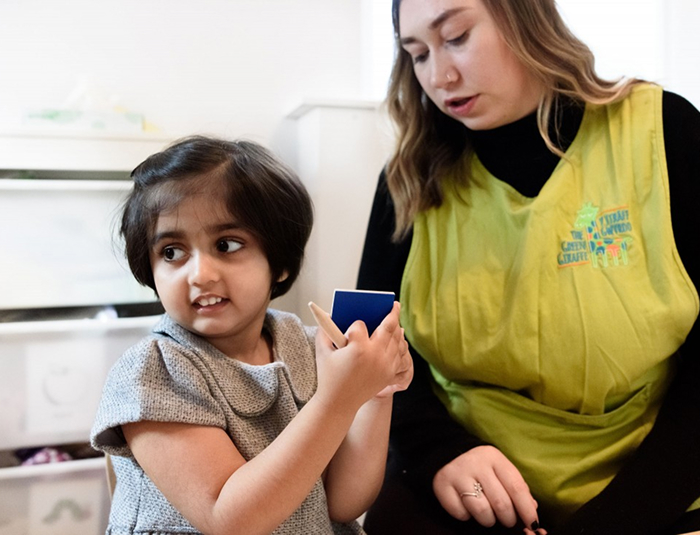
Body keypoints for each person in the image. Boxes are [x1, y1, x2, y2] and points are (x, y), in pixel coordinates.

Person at [356, 0, 700, 534]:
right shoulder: (406, 178)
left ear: (525, 17)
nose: (439, 76)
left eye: (457, 37)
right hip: (473, 490)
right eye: (418, 54)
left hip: (652, 484)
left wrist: (613, 522)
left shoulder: (665, 129)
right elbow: (363, 344)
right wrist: (440, 451)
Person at [90, 135, 413, 535]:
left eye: (226, 245)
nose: (200, 274)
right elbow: (230, 520)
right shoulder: (154, 372)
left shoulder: (307, 345)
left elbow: (344, 502)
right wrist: (338, 399)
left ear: (279, 262)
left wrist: (374, 393)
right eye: (172, 252)